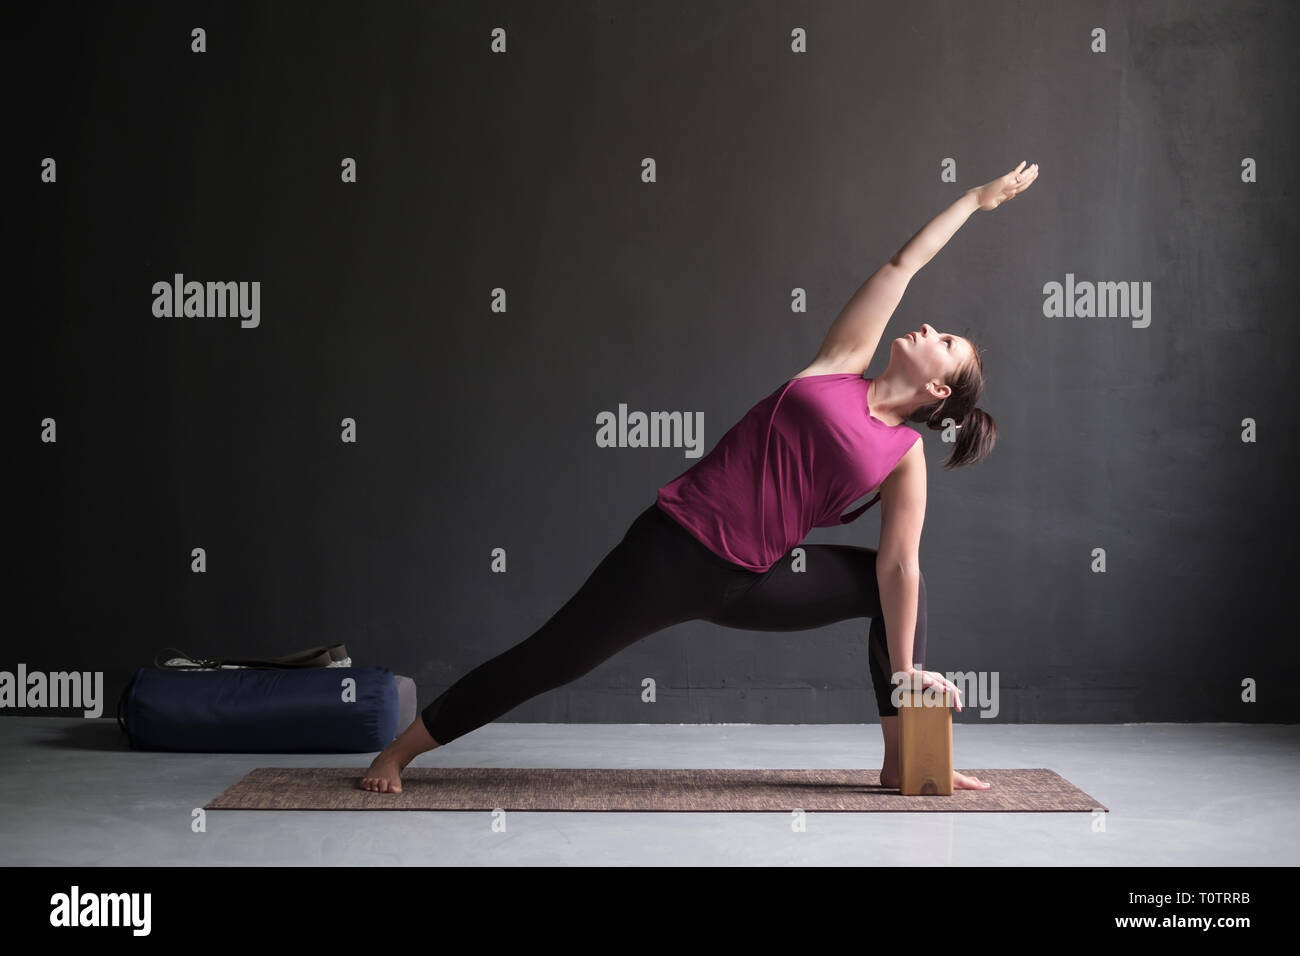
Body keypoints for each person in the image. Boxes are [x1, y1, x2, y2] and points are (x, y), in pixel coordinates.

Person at [361, 161, 1039, 793]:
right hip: (672, 551)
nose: (929, 328)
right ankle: (398, 752)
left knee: (887, 594)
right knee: (553, 659)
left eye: (946, 342)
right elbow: (903, 263)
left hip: (752, 582)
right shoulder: (841, 361)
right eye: (942, 328)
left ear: (940, 394)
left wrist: (906, 676)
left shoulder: (903, 456)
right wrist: (976, 201)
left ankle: (905, 763)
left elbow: (900, 569)